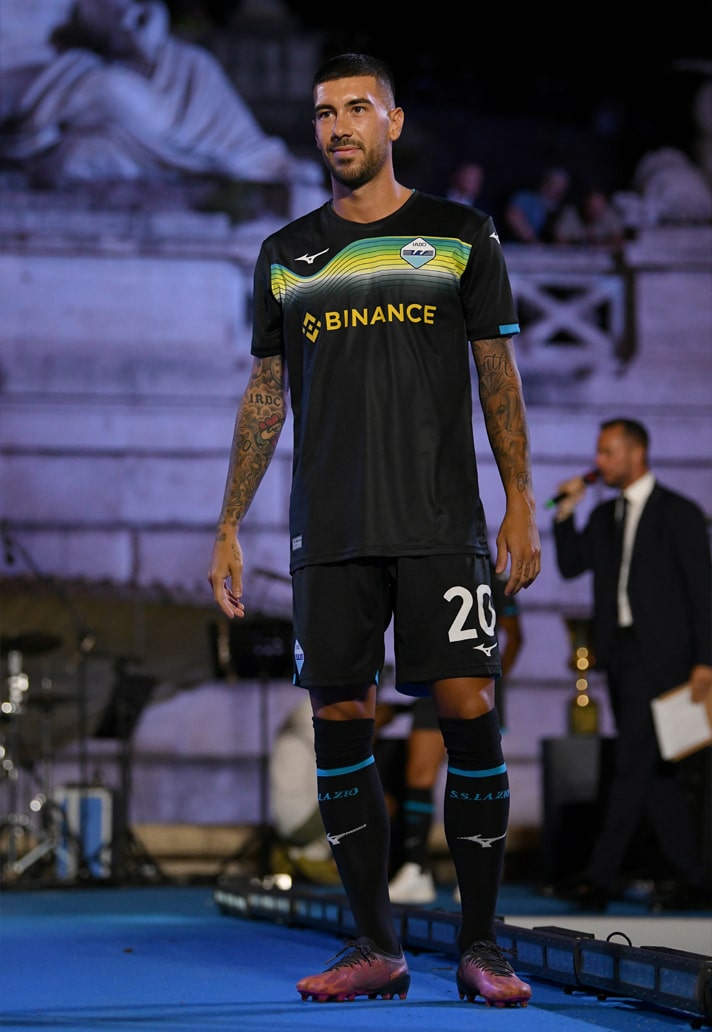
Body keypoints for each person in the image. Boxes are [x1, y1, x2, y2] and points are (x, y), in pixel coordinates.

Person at [208, 52, 541, 1006]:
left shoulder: (461, 235)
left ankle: (484, 946)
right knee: (341, 719)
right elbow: (265, 394)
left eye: (358, 108)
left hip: (441, 524)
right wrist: (229, 522)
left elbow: (497, 374)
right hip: (329, 530)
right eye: (324, 113)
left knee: (468, 710)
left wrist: (520, 498)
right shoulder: (286, 254)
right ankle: (374, 946)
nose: (339, 126)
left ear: (392, 122)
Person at [551, 418, 712, 912]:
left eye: (607, 452)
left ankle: (599, 877)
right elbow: (571, 565)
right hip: (619, 654)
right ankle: (695, 877)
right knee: (655, 771)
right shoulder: (605, 516)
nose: (599, 461)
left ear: (636, 453)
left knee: (632, 762)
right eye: (598, 452)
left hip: (665, 658)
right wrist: (565, 513)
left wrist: (705, 661)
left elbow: (702, 592)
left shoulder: (679, 513)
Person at [387, 564, 523, 904]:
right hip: (431, 676)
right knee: (418, 773)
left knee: (474, 773)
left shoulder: (488, 569)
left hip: (473, 677)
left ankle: (476, 870)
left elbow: (514, 634)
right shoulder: (414, 562)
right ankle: (416, 869)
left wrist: (495, 679)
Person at [503, 166, 570, 243]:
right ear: (545, 183)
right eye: (553, 185)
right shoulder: (526, 198)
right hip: (514, 245)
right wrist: (531, 240)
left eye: (560, 190)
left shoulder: (560, 209)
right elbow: (513, 216)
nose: (555, 192)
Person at [552, 187, 625, 251]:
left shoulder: (609, 214)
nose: (596, 212)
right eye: (592, 208)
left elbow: (618, 239)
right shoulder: (571, 213)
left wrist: (599, 243)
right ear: (585, 205)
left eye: (599, 208)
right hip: (575, 256)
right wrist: (582, 243)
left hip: (601, 256)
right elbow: (559, 239)